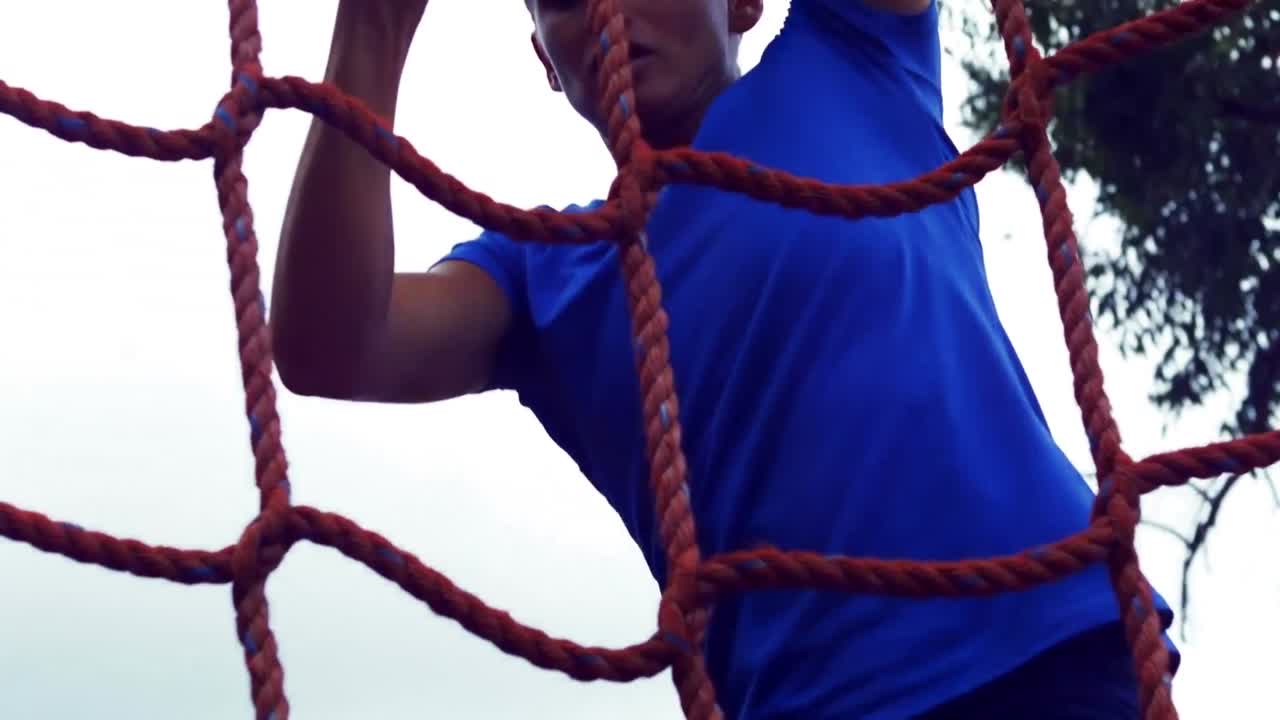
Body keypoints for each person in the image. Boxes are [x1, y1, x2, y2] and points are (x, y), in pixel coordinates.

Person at [270, 0, 1179, 717]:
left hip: (1050, 652)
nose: (604, 11)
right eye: (559, 1)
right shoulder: (549, 276)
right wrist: (375, 25)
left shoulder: (854, 53)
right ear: (546, 62)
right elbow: (332, 344)